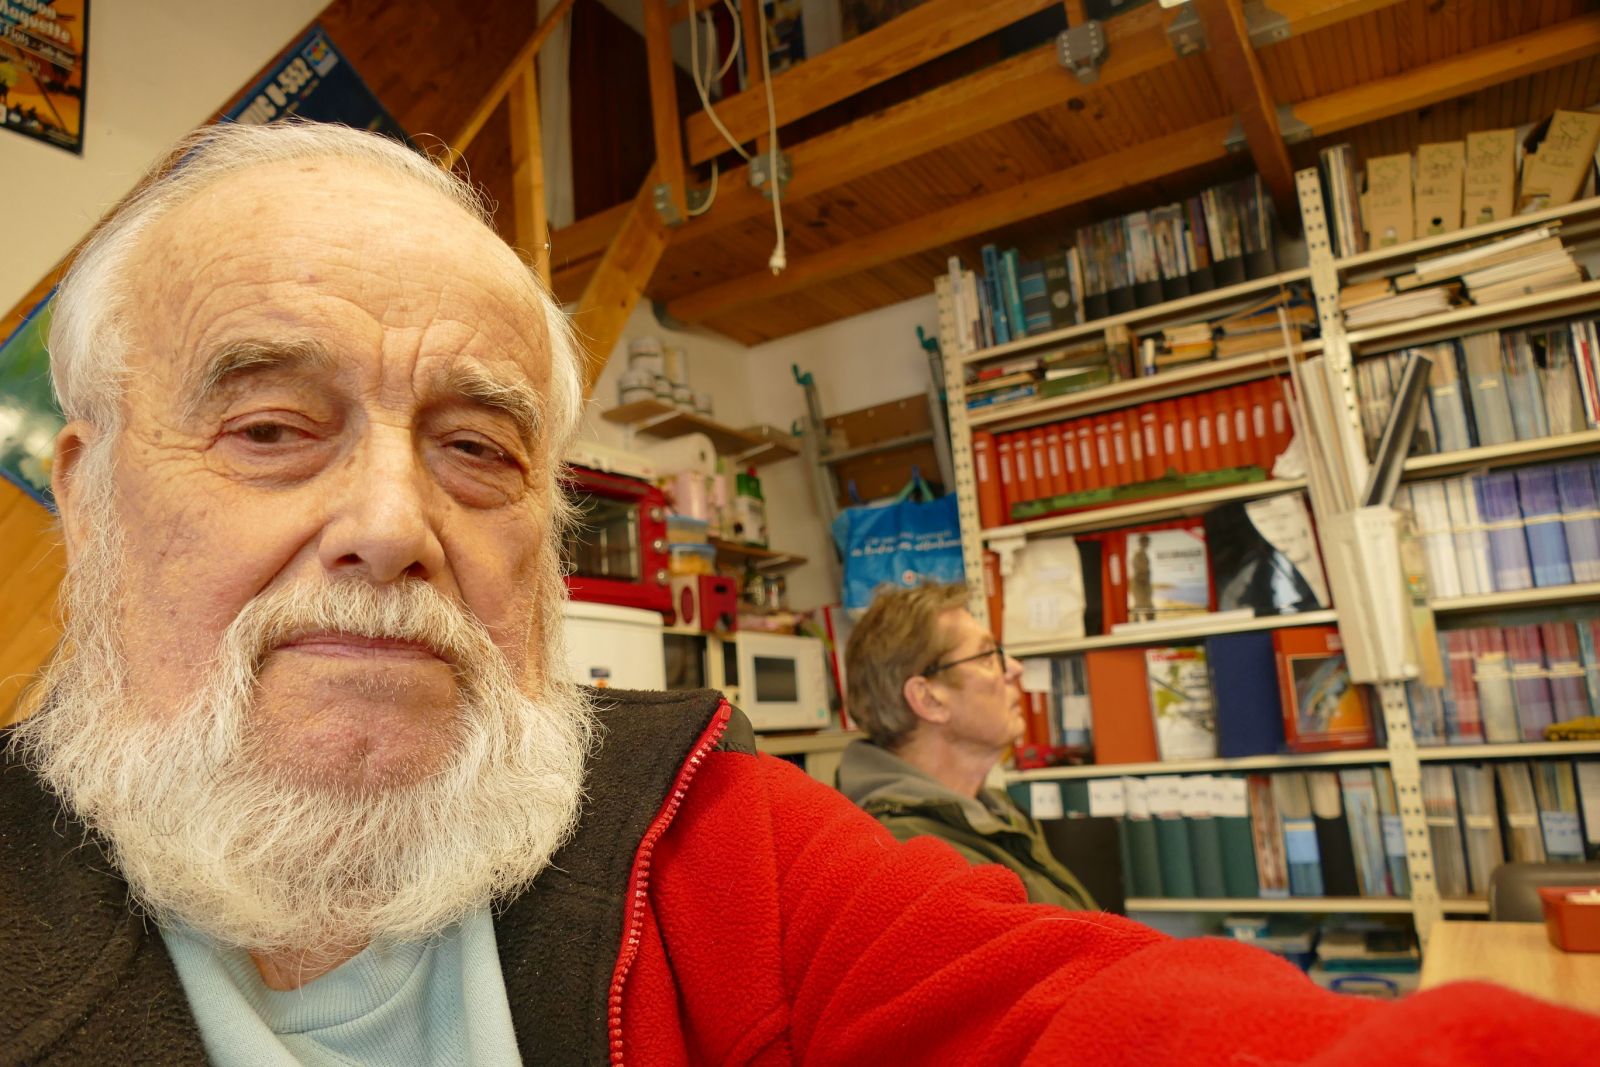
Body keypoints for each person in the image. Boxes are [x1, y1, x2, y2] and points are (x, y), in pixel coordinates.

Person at [2, 120, 1596, 1066]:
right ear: (88, 489)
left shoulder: (710, 835)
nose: (389, 521)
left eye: (478, 447)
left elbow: (1086, 1012)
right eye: (271, 427)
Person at [836, 583, 1095, 909]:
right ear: (928, 699)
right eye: (987, 657)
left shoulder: (994, 811)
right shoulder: (917, 859)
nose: (1015, 668)